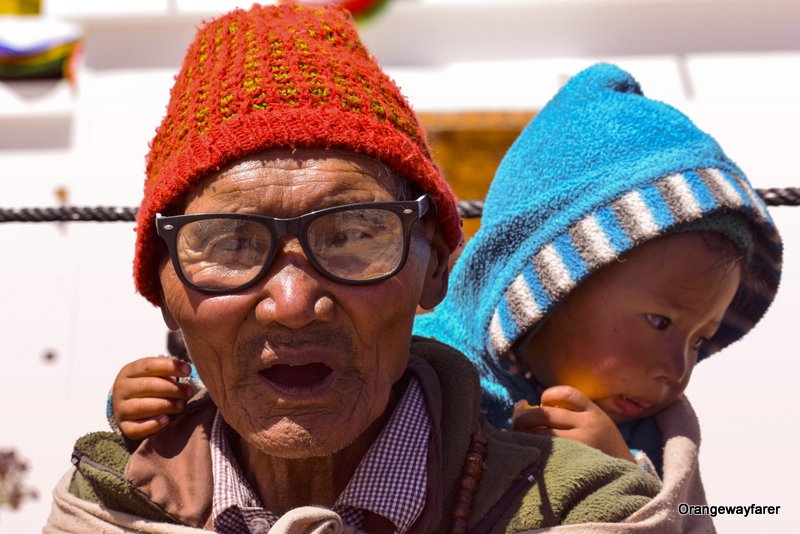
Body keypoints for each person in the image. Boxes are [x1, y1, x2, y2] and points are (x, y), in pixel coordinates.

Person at [45, 6, 659, 533]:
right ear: (163, 286)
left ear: (437, 266)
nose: (289, 302)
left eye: (353, 235)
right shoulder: (106, 501)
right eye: (229, 244)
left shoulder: (578, 505)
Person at [414, 63, 783, 531]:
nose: (678, 369)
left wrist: (622, 474)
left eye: (699, 340)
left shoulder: (662, 438)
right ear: (549, 287)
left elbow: (692, 519)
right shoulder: (419, 378)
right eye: (660, 322)